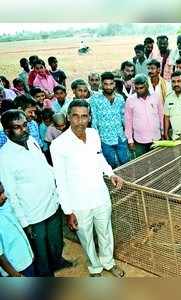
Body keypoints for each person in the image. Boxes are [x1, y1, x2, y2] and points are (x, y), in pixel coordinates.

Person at [50, 100, 125, 277]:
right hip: (79, 203)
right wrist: (68, 211)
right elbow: (60, 180)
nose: (80, 121)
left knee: (106, 232)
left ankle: (108, 262)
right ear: (68, 117)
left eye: (84, 116)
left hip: (100, 195)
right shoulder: (59, 145)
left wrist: (111, 173)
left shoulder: (93, 134)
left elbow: (99, 158)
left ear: (89, 118)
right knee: (86, 238)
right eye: (75, 116)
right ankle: (95, 268)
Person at [0, 109, 71, 276]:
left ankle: (57, 262)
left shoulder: (31, 140)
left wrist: (63, 176)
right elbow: (11, 194)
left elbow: (45, 167)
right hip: (33, 214)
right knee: (41, 253)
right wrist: (25, 224)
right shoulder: (4, 157)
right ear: (7, 131)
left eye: (25, 125)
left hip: (51, 204)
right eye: (18, 127)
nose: (24, 130)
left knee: (56, 242)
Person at [90, 72, 129, 169]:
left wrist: (128, 136)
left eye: (111, 84)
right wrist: (96, 139)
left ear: (114, 84)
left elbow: (124, 117)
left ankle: (128, 183)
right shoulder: (95, 99)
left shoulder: (120, 98)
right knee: (111, 165)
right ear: (101, 84)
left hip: (120, 137)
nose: (108, 87)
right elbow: (94, 120)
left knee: (125, 162)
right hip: (105, 139)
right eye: (105, 84)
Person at [0, 181, 35, 277]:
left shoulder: (5, 205)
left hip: (27, 259)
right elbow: (0, 257)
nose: (4, 196)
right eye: (0, 194)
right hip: (17, 269)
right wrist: (15, 275)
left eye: (2, 192)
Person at [125, 74, 164, 158]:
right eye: (137, 88)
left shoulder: (156, 97)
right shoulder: (130, 100)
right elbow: (128, 121)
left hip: (156, 138)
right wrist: (130, 139)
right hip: (139, 140)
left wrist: (163, 132)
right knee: (142, 166)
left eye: (141, 88)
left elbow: (161, 116)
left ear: (147, 85)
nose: (139, 91)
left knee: (157, 163)